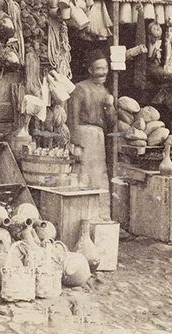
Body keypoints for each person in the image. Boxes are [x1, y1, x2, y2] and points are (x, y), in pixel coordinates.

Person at [67, 49, 117, 219]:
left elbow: (111, 123)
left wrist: (109, 107)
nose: (103, 72)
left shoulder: (106, 91)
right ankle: (82, 218)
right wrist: (75, 144)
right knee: (83, 177)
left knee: (100, 178)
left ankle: (102, 217)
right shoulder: (79, 89)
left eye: (105, 68)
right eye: (99, 69)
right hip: (83, 136)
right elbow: (72, 119)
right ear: (90, 70)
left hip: (98, 138)